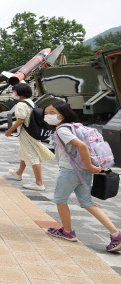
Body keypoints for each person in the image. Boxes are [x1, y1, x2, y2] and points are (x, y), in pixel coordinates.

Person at [43, 100, 121, 251]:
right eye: (46, 114)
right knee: (87, 203)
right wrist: (88, 166)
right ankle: (116, 234)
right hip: (82, 171)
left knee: (60, 200)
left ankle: (67, 232)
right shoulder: (76, 126)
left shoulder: (62, 130)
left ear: (63, 114)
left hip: (69, 171)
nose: (48, 116)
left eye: (52, 113)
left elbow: (82, 145)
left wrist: (91, 166)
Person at [5, 83, 55, 190]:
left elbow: (20, 120)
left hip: (26, 134)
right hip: (33, 132)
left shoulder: (20, 105)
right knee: (24, 152)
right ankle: (18, 173)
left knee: (32, 157)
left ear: (19, 92)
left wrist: (9, 131)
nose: (13, 93)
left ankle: (39, 183)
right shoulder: (30, 102)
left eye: (14, 91)